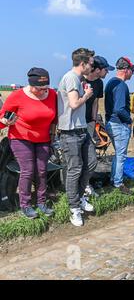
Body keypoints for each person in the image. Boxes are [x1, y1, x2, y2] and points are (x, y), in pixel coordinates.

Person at [0, 68, 57, 219]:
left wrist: (53, 133)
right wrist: (5, 121)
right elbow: (2, 119)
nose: (44, 91)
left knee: (42, 171)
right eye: (40, 88)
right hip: (20, 138)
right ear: (31, 85)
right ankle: (25, 205)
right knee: (28, 170)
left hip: (43, 138)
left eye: (46, 87)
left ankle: (41, 202)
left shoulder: (52, 94)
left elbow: (55, 116)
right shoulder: (17, 96)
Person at [57, 48, 97, 227]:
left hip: (81, 130)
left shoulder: (78, 79)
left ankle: (79, 198)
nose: (92, 66)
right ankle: (74, 208)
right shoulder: (71, 77)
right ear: (83, 64)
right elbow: (73, 104)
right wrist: (87, 95)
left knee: (91, 163)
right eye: (91, 63)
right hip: (70, 132)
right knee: (75, 170)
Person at [105, 57, 134, 195]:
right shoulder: (121, 85)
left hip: (111, 122)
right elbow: (119, 109)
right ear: (126, 70)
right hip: (118, 123)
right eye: (132, 70)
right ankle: (118, 183)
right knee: (121, 155)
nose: (133, 73)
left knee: (118, 154)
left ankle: (114, 179)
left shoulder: (111, 82)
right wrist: (129, 120)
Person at [83, 55, 115, 198]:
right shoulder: (79, 80)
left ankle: (85, 184)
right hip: (74, 125)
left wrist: (94, 120)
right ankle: (78, 189)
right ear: (97, 69)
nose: (107, 73)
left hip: (89, 123)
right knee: (77, 160)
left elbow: (95, 102)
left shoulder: (99, 84)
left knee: (91, 159)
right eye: (105, 70)